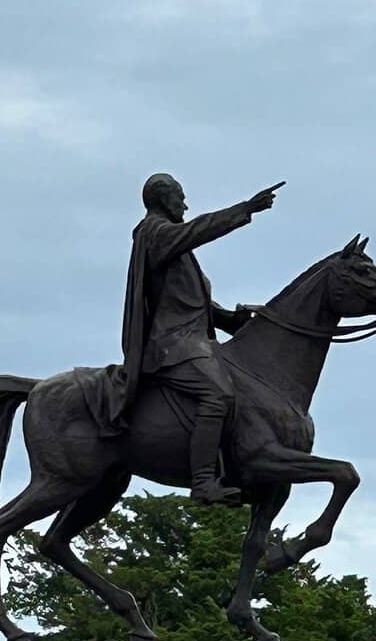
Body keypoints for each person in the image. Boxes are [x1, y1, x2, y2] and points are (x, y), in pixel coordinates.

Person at [112, 173, 281, 504]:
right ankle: (203, 482)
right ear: (163, 200)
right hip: (173, 346)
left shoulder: (171, 244)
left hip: (192, 340)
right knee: (218, 394)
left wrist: (231, 319)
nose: (185, 204)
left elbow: (186, 303)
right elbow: (198, 230)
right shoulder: (155, 233)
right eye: (180, 197)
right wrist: (245, 208)